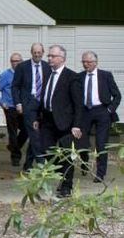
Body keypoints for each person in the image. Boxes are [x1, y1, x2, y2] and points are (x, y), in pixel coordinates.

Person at [35, 44, 83, 197]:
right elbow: (44, 97)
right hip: (48, 120)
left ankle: (66, 186)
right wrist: (38, 117)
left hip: (65, 122)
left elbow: (78, 104)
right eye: (48, 56)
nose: (49, 58)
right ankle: (58, 178)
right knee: (47, 151)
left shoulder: (72, 77)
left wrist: (76, 125)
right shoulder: (48, 74)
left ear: (62, 58)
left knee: (66, 155)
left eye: (52, 56)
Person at [77, 51, 121, 183]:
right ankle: (84, 163)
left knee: (101, 143)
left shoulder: (105, 75)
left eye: (89, 62)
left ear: (96, 62)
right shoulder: (79, 77)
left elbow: (117, 95)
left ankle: (100, 173)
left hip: (102, 111)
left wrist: (109, 110)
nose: (86, 64)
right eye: (84, 62)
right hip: (85, 112)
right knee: (82, 141)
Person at [12, 42, 51, 170]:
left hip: (43, 105)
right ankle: (41, 164)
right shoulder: (22, 67)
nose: (37, 55)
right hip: (28, 103)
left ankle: (27, 165)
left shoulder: (47, 67)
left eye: (39, 52)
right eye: (35, 52)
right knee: (34, 134)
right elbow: (15, 86)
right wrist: (18, 103)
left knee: (38, 134)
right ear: (31, 53)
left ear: (43, 53)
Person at [0, 53, 27, 167]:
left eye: (18, 61)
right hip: (10, 107)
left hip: (24, 107)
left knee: (26, 130)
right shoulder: (5, 75)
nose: (16, 63)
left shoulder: (25, 74)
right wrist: (1, 103)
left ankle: (13, 147)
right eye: (14, 61)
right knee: (13, 132)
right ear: (11, 62)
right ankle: (15, 157)